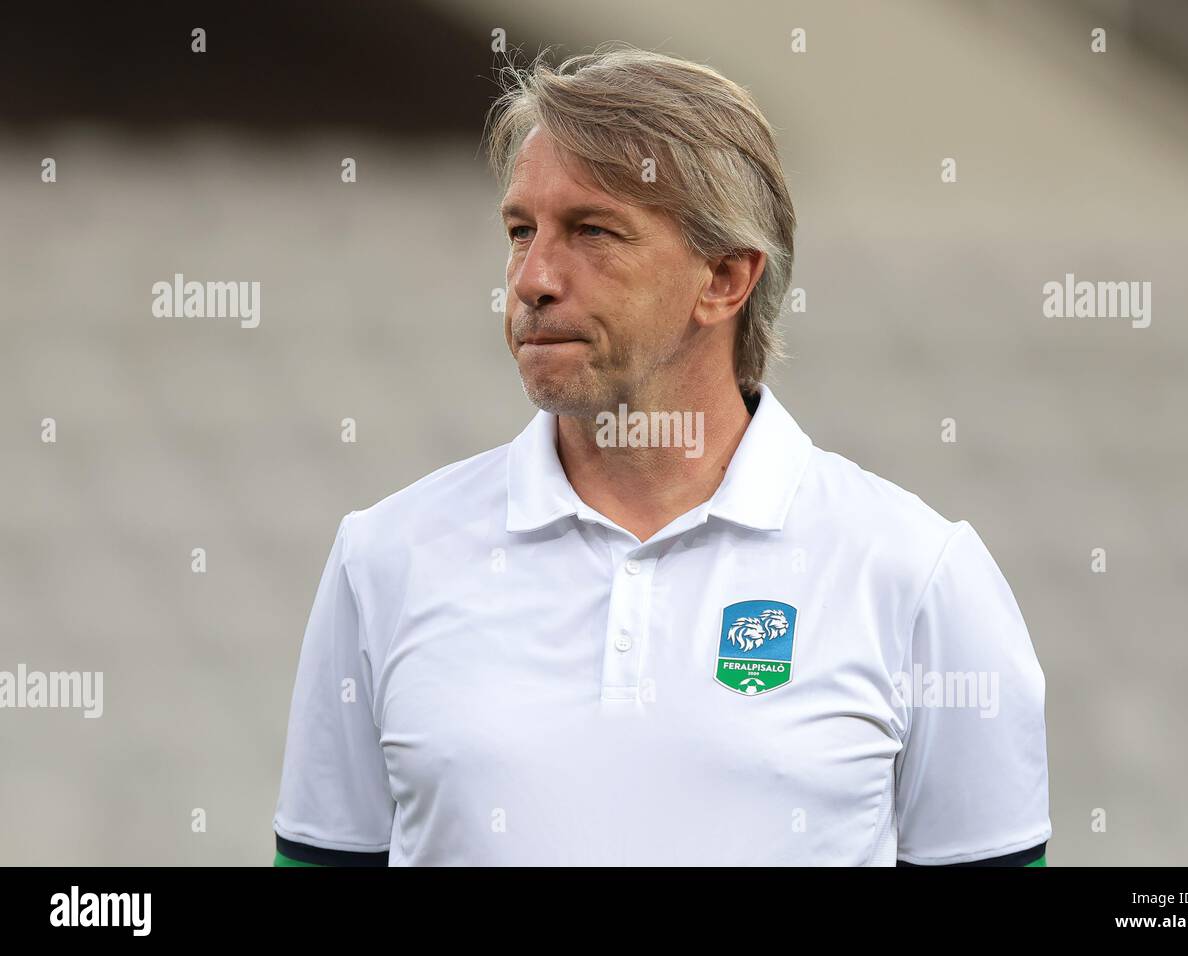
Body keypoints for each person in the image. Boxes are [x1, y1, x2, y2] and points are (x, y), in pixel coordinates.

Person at [272, 45, 1050, 866]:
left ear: (724, 278)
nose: (533, 278)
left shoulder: (918, 575)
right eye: (520, 232)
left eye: (592, 232)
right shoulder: (385, 557)